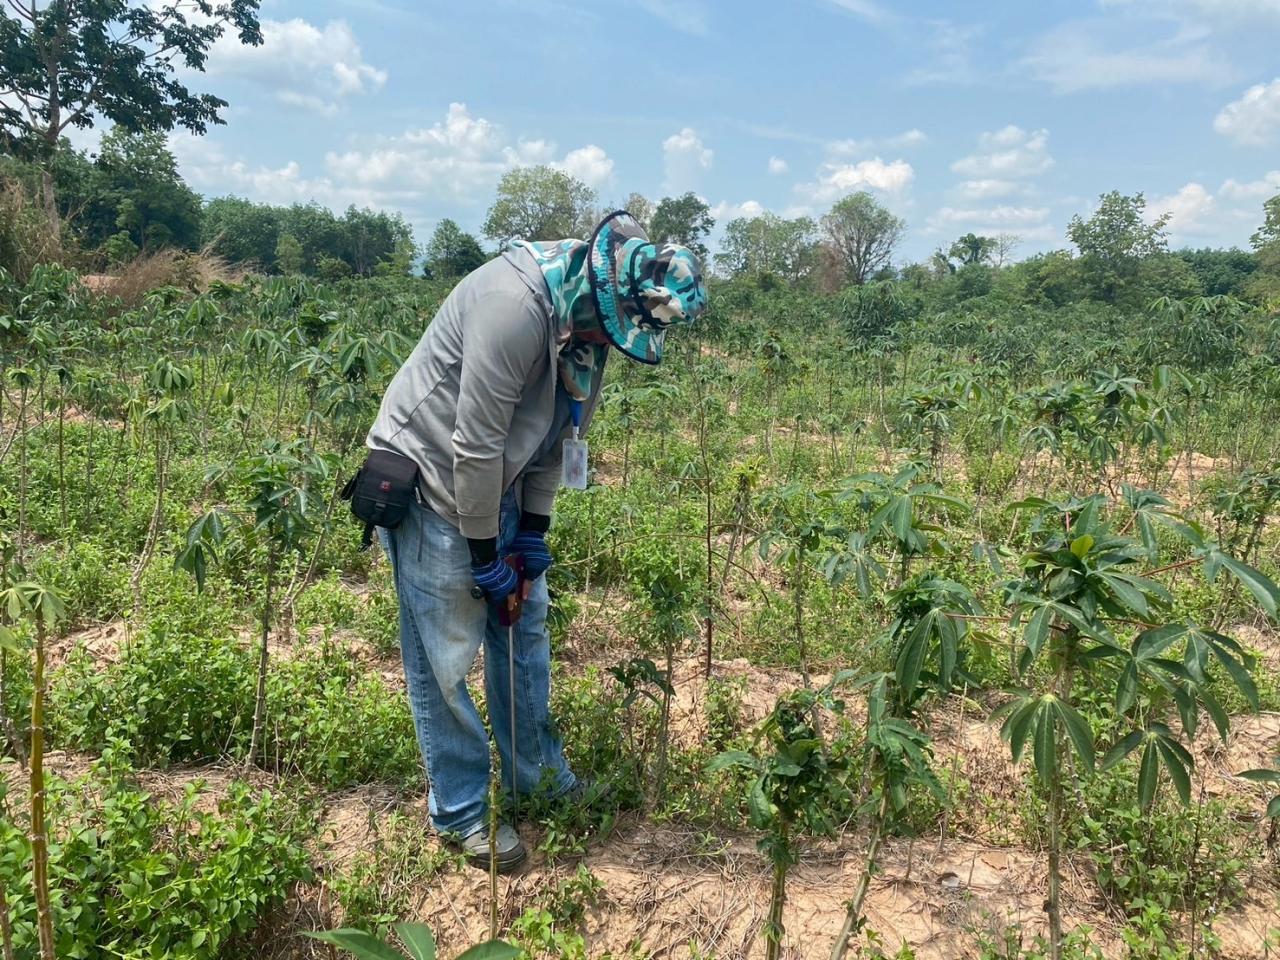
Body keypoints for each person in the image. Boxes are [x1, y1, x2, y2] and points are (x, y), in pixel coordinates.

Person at [365, 210, 707, 871]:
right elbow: (475, 443)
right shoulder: (512, 304)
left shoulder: (589, 332)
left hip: (506, 482)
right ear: (603, 287)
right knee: (447, 649)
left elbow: (565, 435)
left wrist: (535, 536)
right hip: (437, 479)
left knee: (525, 631)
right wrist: (487, 555)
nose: (610, 341)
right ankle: (462, 811)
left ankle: (538, 779)